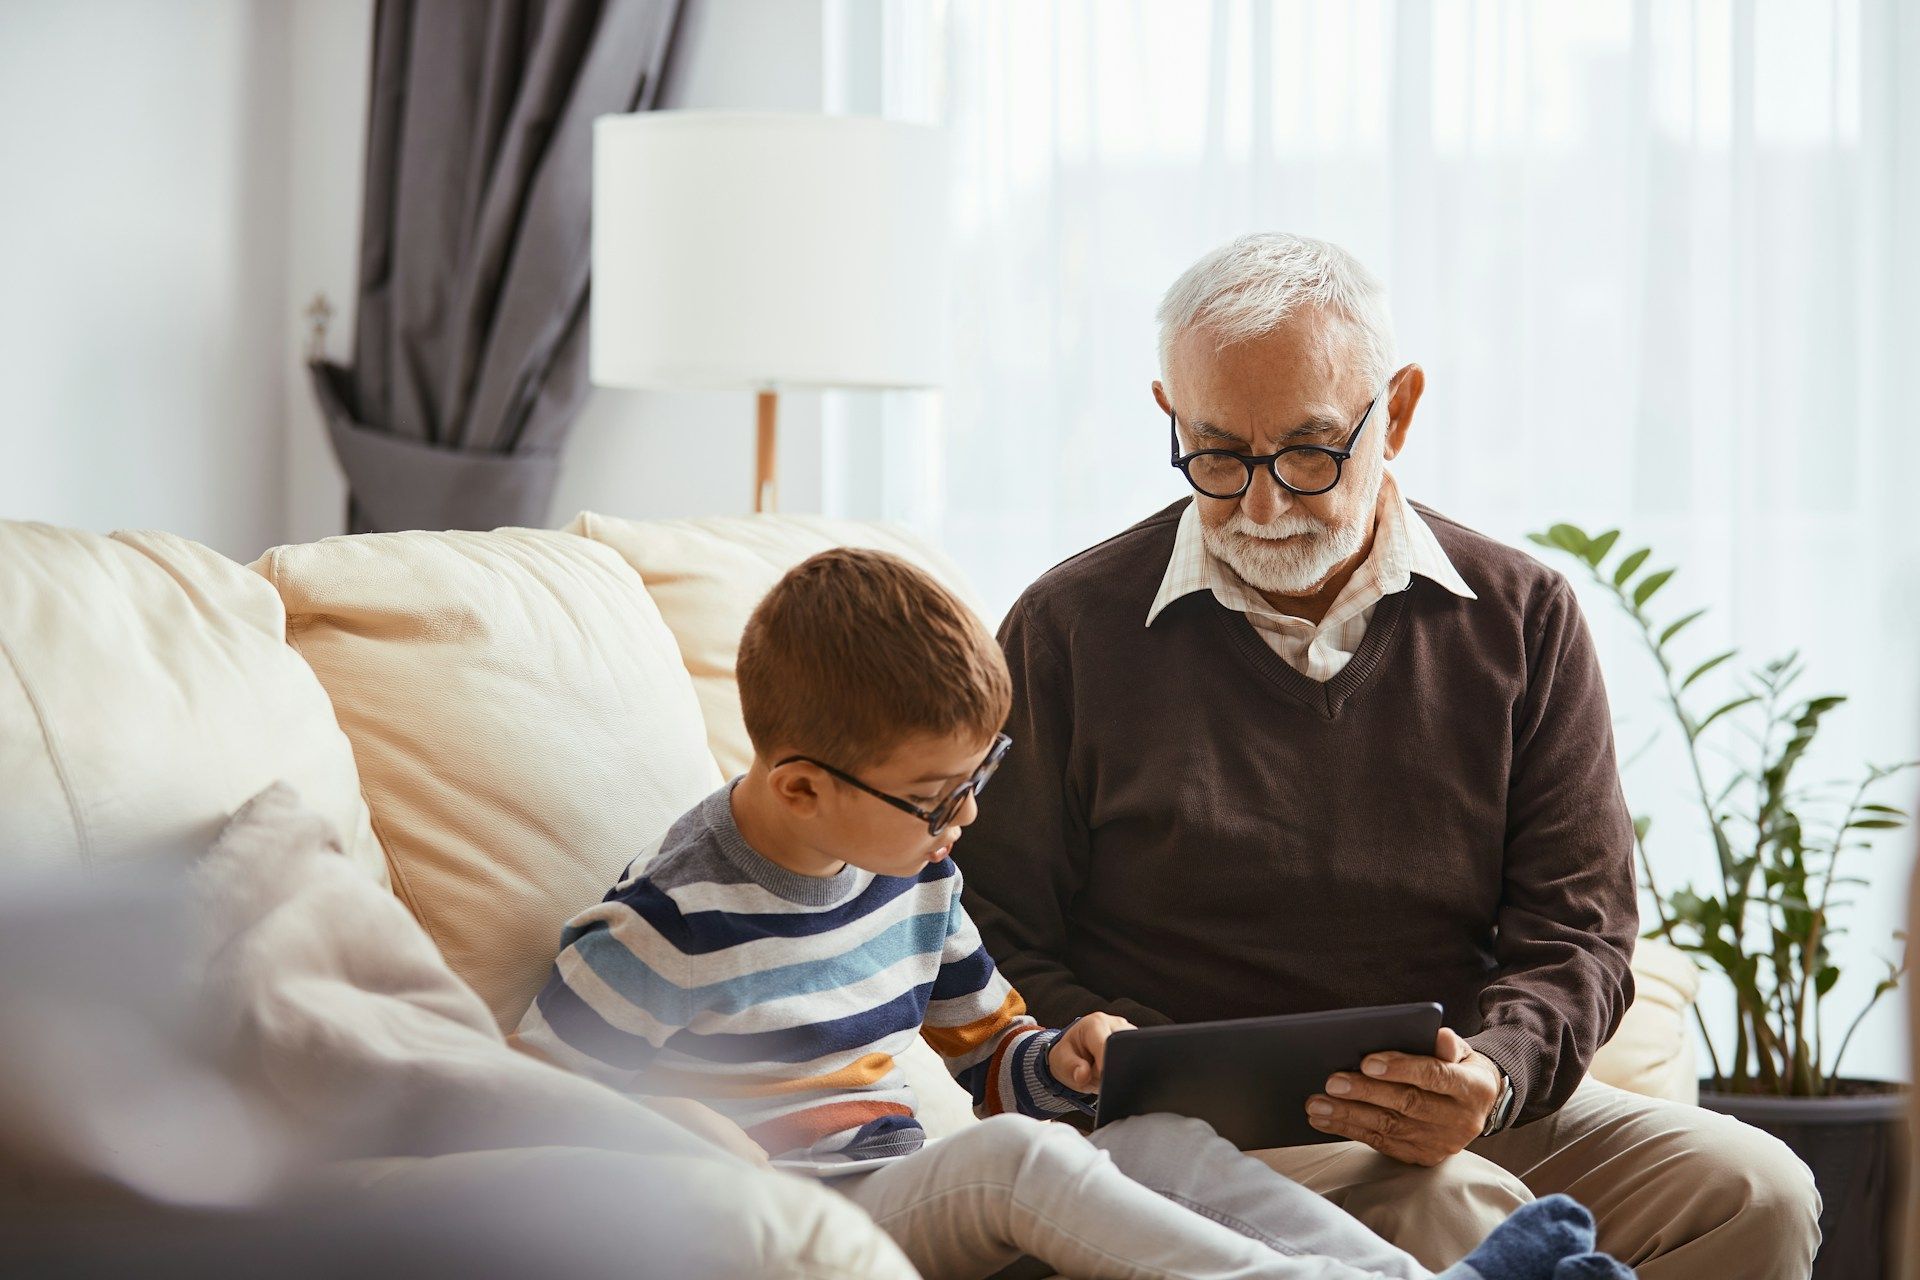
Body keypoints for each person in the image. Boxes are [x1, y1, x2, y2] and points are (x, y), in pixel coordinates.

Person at [955, 231, 1822, 1277]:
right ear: (1170, 417)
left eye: (1310, 451)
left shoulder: (1524, 615)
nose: (1264, 505)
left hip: (1463, 1100)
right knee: (1453, 1207)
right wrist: (1076, 1037)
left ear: (1397, 412)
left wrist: (1493, 1075)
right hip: (1195, 1134)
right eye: (1219, 455)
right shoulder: (1069, 627)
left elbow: (1580, 928)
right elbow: (988, 918)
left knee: (1758, 1193)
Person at [515, 547, 1634, 1280]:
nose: (964, 821)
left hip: (908, 1186)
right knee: (1015, 1162)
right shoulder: (670, 926)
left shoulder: (914, 877)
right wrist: (680, 1140)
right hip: (799, 1224)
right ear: (802, 785)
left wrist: (1070, 1060)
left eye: (978, 779)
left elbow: (989, 1055)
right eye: (935, 797)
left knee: (1149, 1134)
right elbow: (518, 1097)